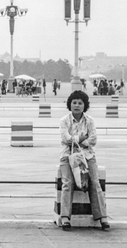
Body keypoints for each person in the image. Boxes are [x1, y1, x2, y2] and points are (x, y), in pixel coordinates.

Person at [58, 90, 109, 231]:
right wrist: (81, 138)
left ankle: (102, 217)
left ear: (84, 105)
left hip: (87, 156)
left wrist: (77, 141)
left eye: (80, 103)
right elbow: (65, 139)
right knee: (67, 183)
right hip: (68, 156)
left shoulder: (90, 121)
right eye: (74, 102)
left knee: (95, 182)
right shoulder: (64, 121)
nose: (77, 105)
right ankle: (65, 218)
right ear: (70, 104)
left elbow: (93, 140)